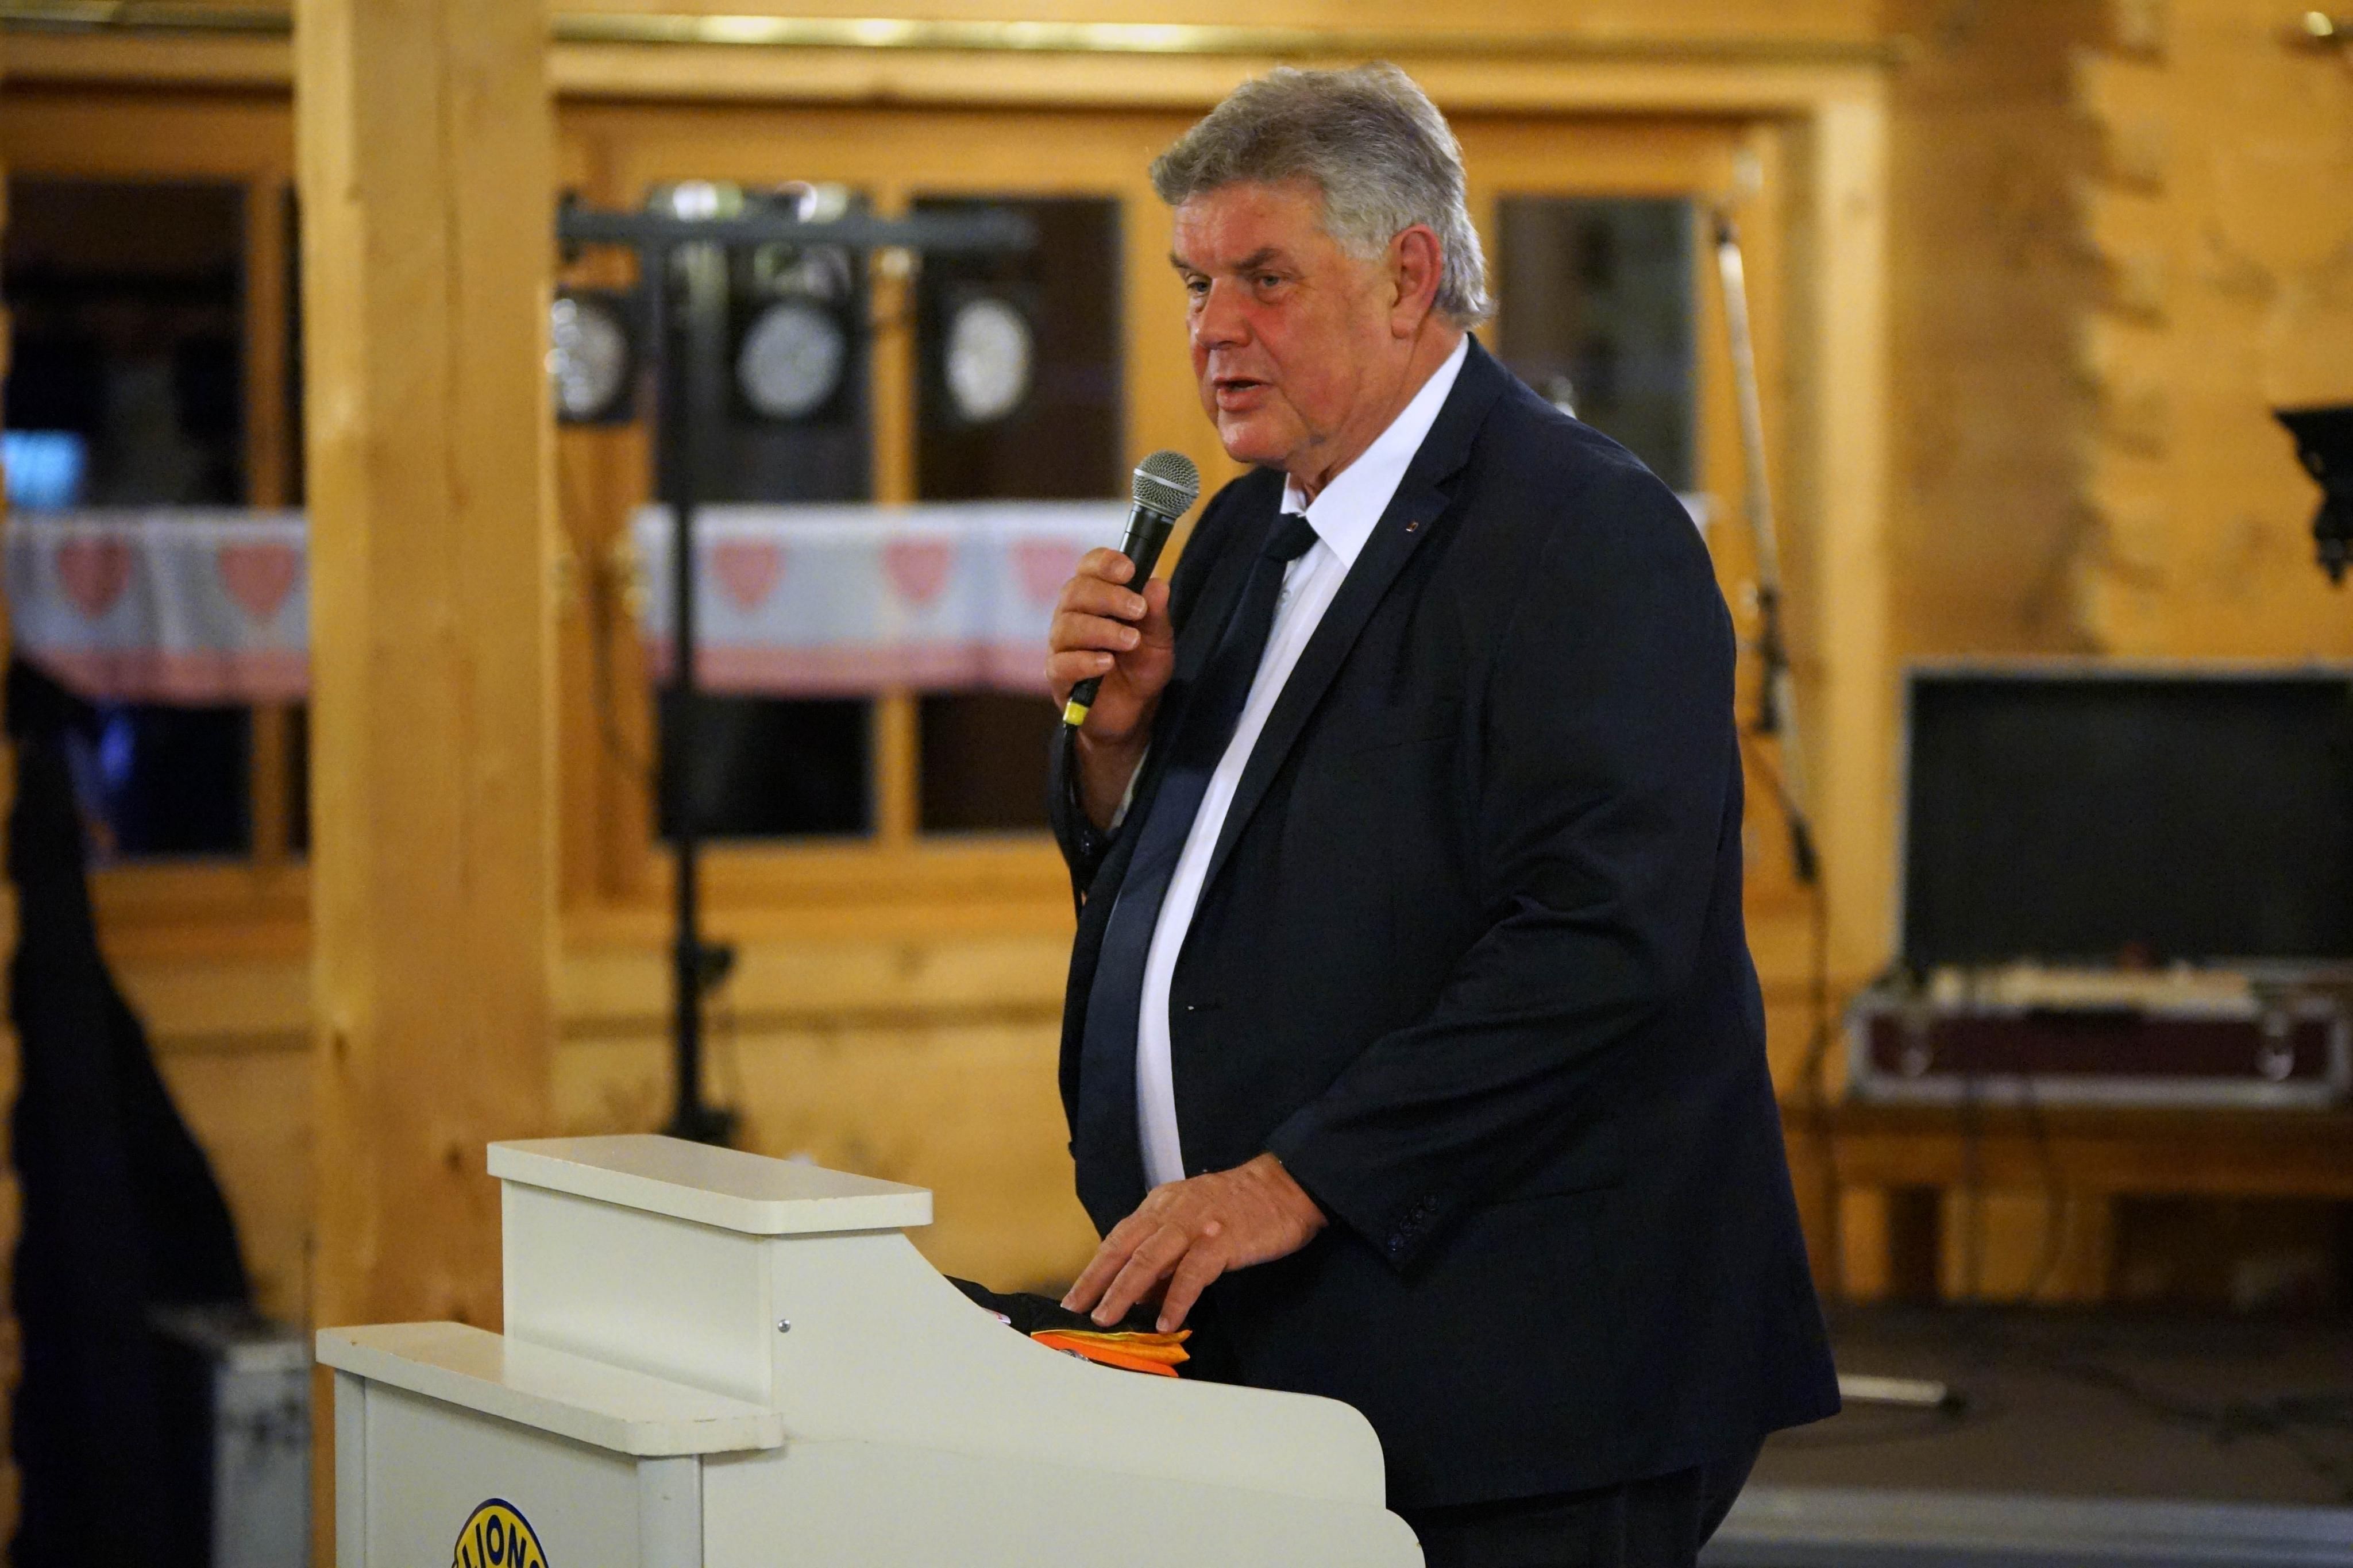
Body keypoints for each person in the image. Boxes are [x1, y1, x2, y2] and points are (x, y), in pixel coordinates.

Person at [1043, 64, 1837, 1567]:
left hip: (1533, 1377)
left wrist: (1291, 1179)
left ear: (1409, 277)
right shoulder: (1237, 530)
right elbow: (1207, 877)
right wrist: (1116, 749)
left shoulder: (1585, 531)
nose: (1213, 329)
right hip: (1282, 1346)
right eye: (1196, 283)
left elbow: (1599, 944)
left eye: (1265, 278)